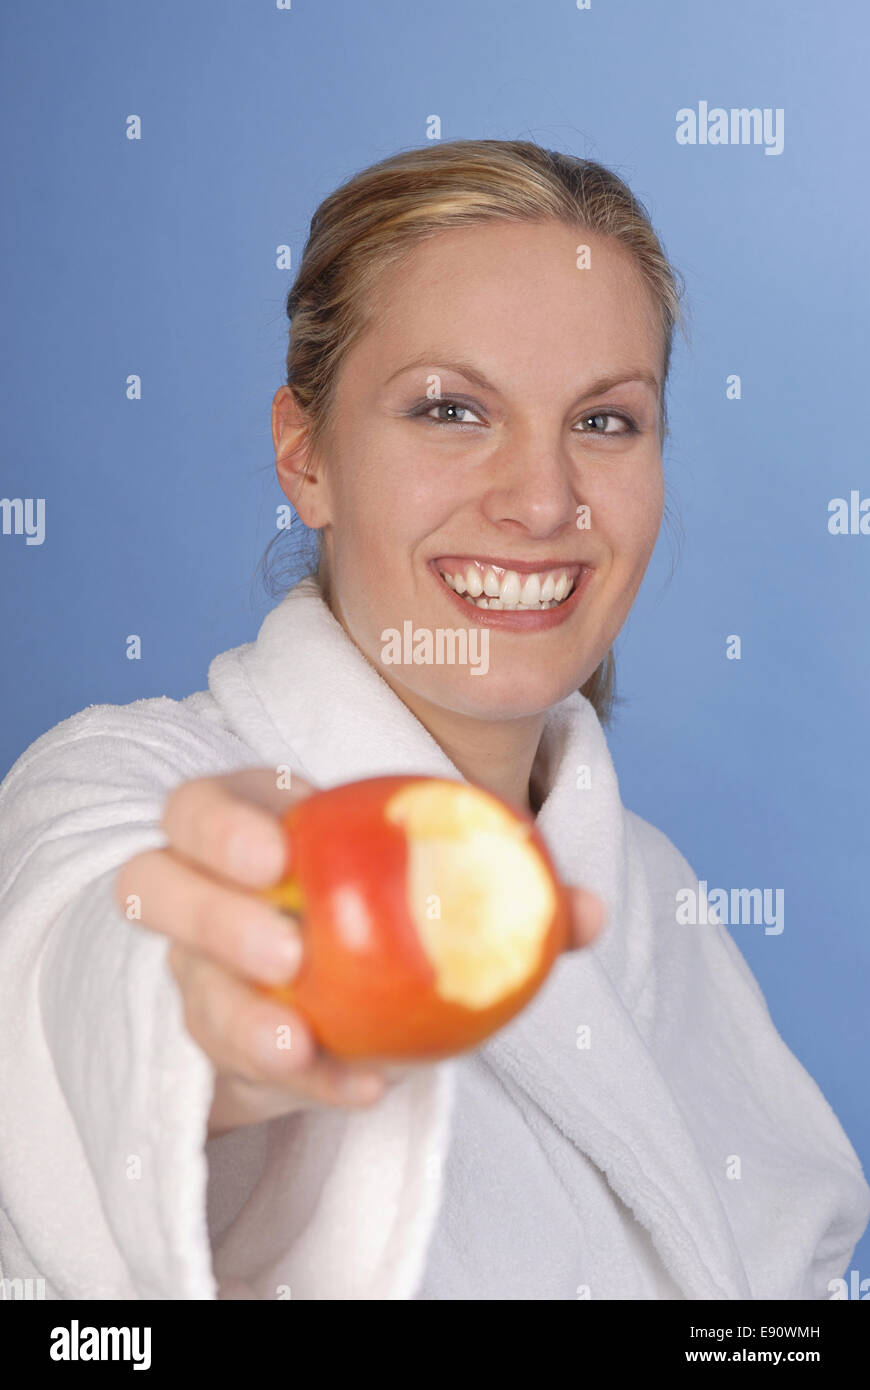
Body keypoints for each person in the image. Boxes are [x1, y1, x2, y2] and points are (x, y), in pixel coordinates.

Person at [0, 140, 866, 1301]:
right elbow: (84, 956)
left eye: (605, 422)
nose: (544, 500)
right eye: (452, 410)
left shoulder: (650, 891)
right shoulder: (134, 788)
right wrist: (193, 1022)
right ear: (306, 456)